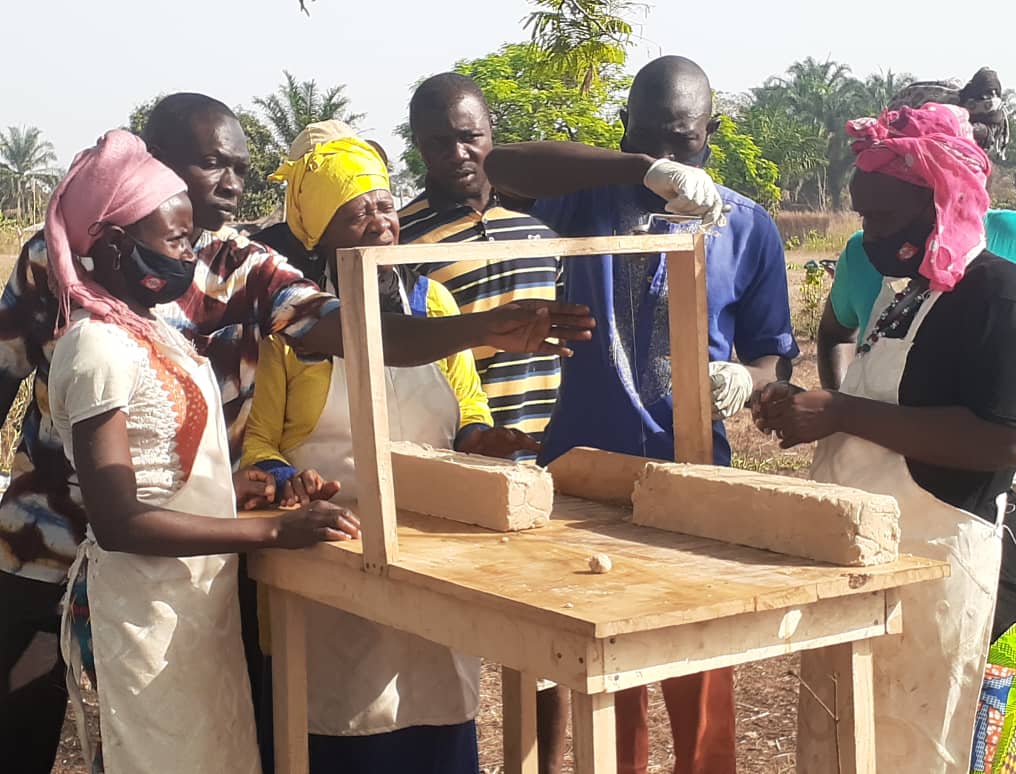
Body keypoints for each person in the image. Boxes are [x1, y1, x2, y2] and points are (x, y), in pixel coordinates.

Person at [0, 95, 594, 771]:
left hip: (190, 546)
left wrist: (475, 328)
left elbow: (350, 329)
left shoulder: (241, 264)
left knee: (181, 733)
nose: (229, 183)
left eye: (241, 168)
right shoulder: (64, 261)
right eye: (210, 163)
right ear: (152, 162)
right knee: (25, 721)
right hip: (49, 538)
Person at [486, 55, 799, 774]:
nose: (667, 154)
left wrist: (740, 381)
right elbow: (503, 162)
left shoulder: (746, 228)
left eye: (682, 142)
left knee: (699, 671)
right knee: (604, 675)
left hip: (693, 475)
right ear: (623, 130)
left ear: (713, 133)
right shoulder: (587, 198)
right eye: (649, 138)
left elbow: (770, 358)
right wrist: (637, 170)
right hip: (582, 473)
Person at [41, 129, 360, 773]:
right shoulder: (97, 347)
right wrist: (274, 531)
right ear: (109, 247)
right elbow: (119, 520)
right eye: (176, 240)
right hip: (146, 614)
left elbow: (164, 469)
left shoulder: (154, 330)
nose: (190, 254)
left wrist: (240, 492)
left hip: (191, 605)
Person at [245, 130, 542, 774]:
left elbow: (467, 409)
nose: (383, 221)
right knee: (345, 726)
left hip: (430, 554)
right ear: (323, 234)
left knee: (437, 715)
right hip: (333, 558)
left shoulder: (433, 303)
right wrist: (289, 481)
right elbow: (259, 443)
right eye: (360, 212)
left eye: (386, 203)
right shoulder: (294, 332)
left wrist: (483, 441)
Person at [751, 103, 1016, 772]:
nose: (867, 232)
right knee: (847, 740)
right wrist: (804, 409)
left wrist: (844, 414)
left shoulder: (998, 295)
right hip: (863, 560)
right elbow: (875, 402)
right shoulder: (901, 292)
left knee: (919, 744)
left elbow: (1008, 440)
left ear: (937, 198)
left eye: (880, 216)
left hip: (937, 567)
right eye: (861, 214)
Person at [398, 72, 572, 771]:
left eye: (469, 136)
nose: (458, 154)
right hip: (456, 460)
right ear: (419, 145)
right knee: (453, 641)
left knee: (549, 640)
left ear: (490, 135)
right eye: (440, 142)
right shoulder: (402, 239)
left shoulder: (540, 235)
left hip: (541, 457)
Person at [817, 67, 1016, 391]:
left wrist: (843, 416)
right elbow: (835, 334)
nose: (873, 229)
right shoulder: (864, 253)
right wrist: (838, 405)